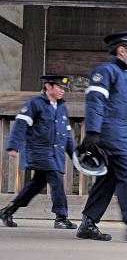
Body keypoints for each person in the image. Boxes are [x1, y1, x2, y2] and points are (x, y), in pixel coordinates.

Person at [75, 31, 127, 242]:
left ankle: (88, 224)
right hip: (112, 137)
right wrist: (92, 132)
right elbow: (95, 103)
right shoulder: (105, 72)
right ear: (121, 50)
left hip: (125, 137)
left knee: (107, 180)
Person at [0, 75, 77, 229]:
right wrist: (13, 146)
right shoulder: (35, 104)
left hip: (55, 153)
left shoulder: (61, 107)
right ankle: (61, 217)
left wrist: (74, 154)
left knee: (36, 184)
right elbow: (21, 124)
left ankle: (8, 210)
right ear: (48, 87)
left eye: (64, 88)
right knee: (56, 180)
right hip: (39, 151)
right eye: (59, 87)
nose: (62, 91)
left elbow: (66, 134)